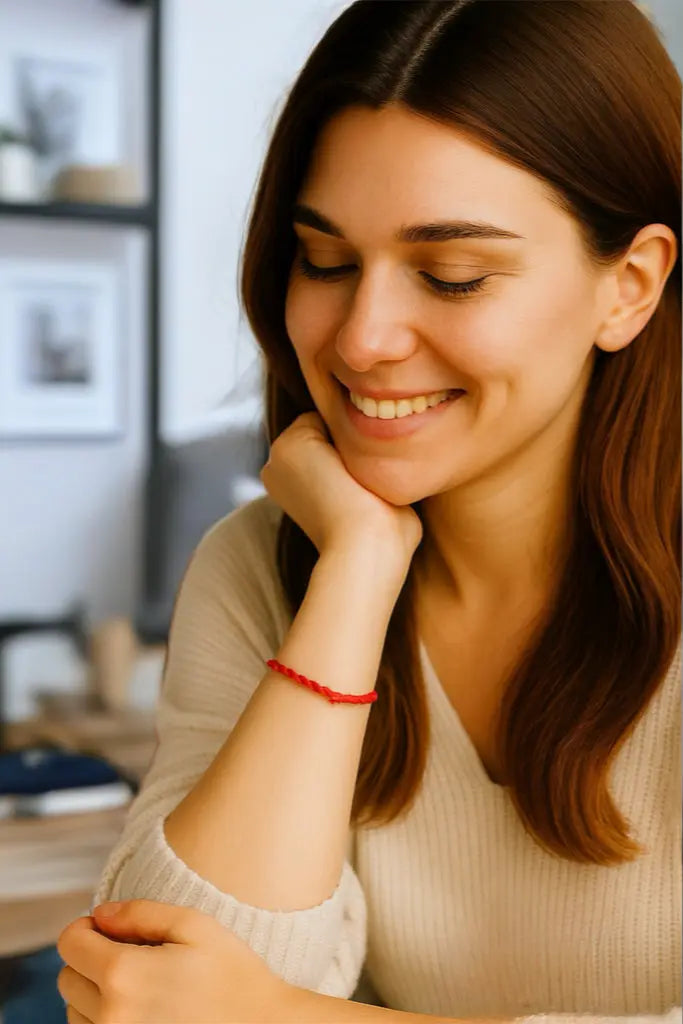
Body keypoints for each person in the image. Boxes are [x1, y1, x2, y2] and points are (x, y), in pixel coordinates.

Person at [56, 1, 681, 1021]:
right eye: (326, 262)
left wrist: (286, 1017)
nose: (360, 340)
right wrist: (352, 575)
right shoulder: (261, 568)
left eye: (452, 274)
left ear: (628, 285)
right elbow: (153, 994)